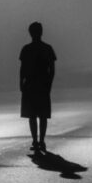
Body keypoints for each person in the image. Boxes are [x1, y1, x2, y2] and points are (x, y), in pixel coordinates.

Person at [19, 21, 56, 153]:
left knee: (32, 115)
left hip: (30, 85)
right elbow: (52, 69)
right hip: (43, 85)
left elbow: (22, 69)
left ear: (30, 33)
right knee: (43, 115)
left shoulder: (26, 49)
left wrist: (21, 83)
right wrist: (49, 83)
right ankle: (41, 141)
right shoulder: (47, 48)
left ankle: (35, 140)